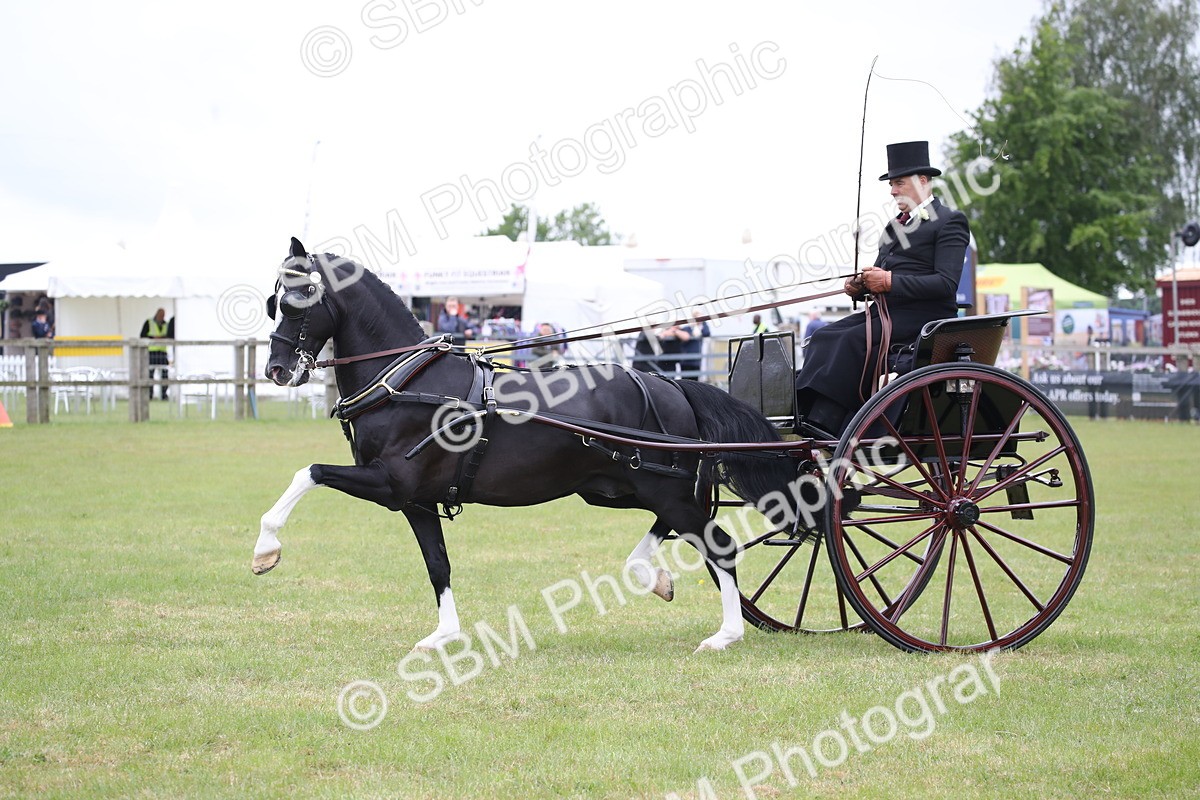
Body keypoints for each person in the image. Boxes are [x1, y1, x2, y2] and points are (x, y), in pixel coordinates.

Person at [794, 140, 970, 435]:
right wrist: (861, 286)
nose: (893, 191)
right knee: (824, 335)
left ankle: (829, 419)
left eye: (898, 183)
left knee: (850, 340)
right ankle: (807, 410)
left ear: (922, 181)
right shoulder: (893, 227)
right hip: (886, 312)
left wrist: (889, 282)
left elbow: (945, 284)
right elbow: (880, 272)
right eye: (892, 184)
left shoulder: (950, 222)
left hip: (924, 317)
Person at [140, 308, 175, 400]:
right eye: (160, 315)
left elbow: (169, 336)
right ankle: (149, 394)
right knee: (149, 374)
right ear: (156, 314)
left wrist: (162, 338)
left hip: (162, 353)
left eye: (163, 315)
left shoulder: (166, 324)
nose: (161, 317)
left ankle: (164, 394)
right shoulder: (149, 322)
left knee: (164, 374)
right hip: (151, 352)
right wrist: (153, 338)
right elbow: (142, 336)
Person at [679, 310, 710, 379]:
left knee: (695, 381)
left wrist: (703, 322)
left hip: (696, 361)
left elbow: (707, 333)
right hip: (686, 360)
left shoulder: (702, 328)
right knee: (685, 380)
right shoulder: (687, 328)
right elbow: (686, 336)